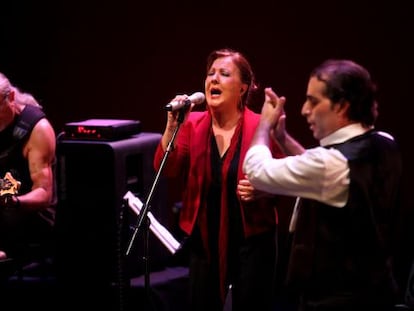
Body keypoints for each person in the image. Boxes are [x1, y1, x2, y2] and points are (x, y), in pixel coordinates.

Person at [243, 59, 402, 310]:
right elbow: (316, 169)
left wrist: (264, 125)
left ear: (341, 106)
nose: (304, 110)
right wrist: (282, 139)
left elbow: (256, 171)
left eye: (313, 101)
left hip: (334, 299)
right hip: (376, 291)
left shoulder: (332, 164)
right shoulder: (384, 142)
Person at [153, 48, 286, 311]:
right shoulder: (192, 125)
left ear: (243, 87)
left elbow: (285, 178)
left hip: (253, 240)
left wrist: (263, 190)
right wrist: (172, 125)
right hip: (204, 240)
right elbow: (165, 170)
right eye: (210, 73)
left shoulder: (261, 127)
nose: (213, 79)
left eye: (224, 74)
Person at [0, 72, 56, 268]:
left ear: (11, 98)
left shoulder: (37, 129)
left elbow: (44, 193)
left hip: (28, 217)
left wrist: (10, 201)